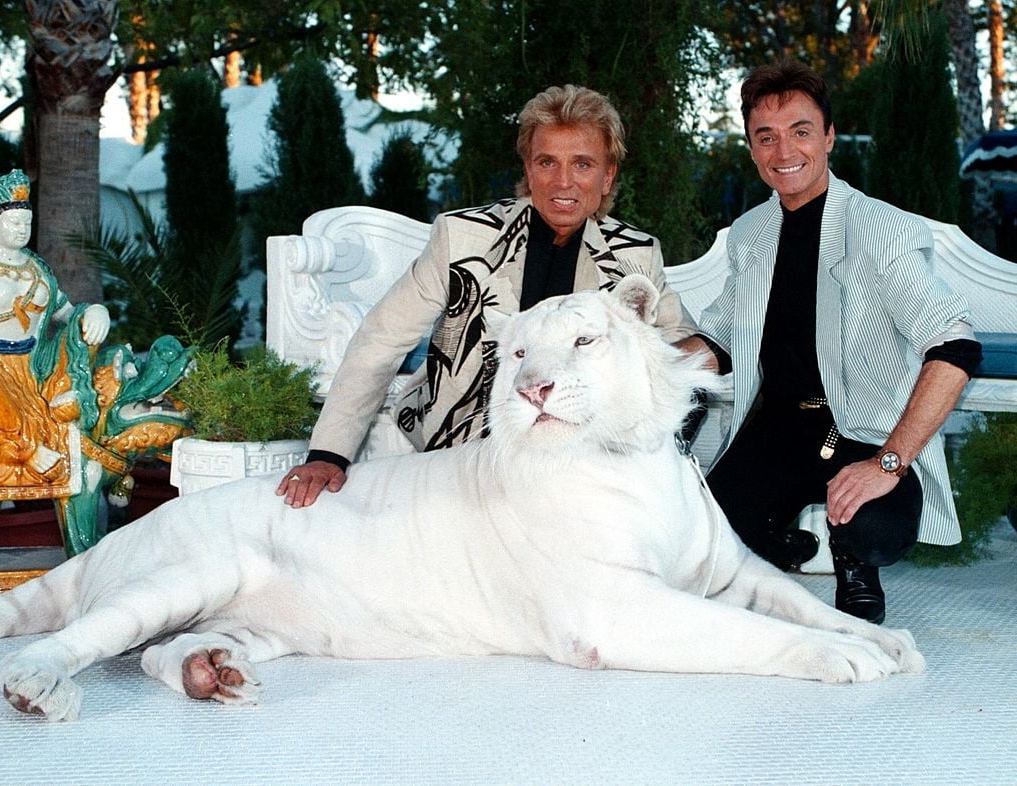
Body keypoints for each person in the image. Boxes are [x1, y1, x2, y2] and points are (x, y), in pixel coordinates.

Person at [278, 84, 704, 507]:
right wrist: (328, 454)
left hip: (582, 451)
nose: (563, 182)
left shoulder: (634, 255)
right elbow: (381, 339)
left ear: (607, 175)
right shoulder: (462, 238)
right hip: (461, 446)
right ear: (528, 170)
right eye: (547, 162)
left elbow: (684, 349)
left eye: (582, 164)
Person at [687, 61, 982, 625]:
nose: (783, 150)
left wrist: (888, 463)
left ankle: (855, 562)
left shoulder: (881, 230)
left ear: (828, 137)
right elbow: (720, 337)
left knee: (874, 528)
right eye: (766, 136)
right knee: (702, 538)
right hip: (779, 428)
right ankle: (777, 544)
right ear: (751, 148)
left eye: (800, 131)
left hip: (859, 431)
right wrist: (647, 362)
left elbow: (954, 348)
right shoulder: (751, 233)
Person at [0, 168, 110, 488]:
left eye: (26, 222)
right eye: (14, 222)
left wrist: (95, 312)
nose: (22, 230)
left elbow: (66, 312)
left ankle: (104, 465)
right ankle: (28, 451)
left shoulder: (37, 268)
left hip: (34, 365)